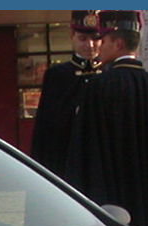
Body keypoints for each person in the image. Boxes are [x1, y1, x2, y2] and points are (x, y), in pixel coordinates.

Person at [64, 10, 148, 226]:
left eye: (103, 40)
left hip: (113, 200)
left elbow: (86, 153)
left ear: (117, 43)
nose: (98, 46)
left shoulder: (99, 87)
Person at [30, 11, 102, 177]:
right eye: (83, 39)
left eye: (95, 39)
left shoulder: (109, 73)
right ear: (72, 36)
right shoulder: (57, 75)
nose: (90, 45)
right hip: (64, 160)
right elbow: (44, 126)